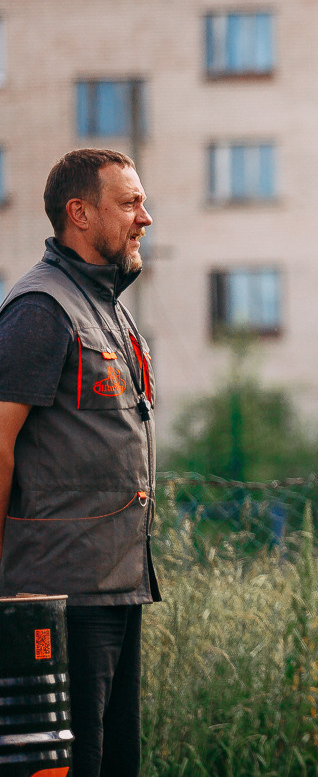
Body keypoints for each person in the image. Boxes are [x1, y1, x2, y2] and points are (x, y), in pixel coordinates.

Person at [0, 149, 159, 777]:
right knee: (73, 767)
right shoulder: (41, 310)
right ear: (80, 213)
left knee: (119, 763)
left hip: (118, 582)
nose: (144, 218)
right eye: (129, 204)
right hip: (59, 591)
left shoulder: (108, 307)